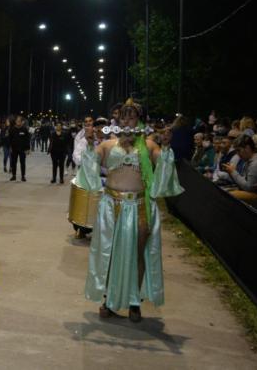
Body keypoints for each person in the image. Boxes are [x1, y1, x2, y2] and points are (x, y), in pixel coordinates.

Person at [76, 98, 183, 322]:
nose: (126, 120)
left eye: (131, 116)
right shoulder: (106, 145)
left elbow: (164, 169)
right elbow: (88, 166)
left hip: (140, 206)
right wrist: (87, 143)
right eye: (122, 116)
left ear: (139, 120)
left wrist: (165, 146)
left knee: (138, 253)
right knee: (111, 253)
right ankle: (109, 300)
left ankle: (135, 302)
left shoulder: (149, 146)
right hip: (111, 205)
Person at [222, 134, 257, 201]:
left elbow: (249, 188)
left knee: (229, 195)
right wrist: (231, 172)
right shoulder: (250, 161)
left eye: (239, 150)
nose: (238, 154)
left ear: (247, 148)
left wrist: (233, 172)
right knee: (224, 192)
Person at [8, 115, 30, 182]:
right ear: (15, 122)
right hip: (14, 149)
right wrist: (10, 147)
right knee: (14, 163)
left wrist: (28, 148)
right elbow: (10, 139)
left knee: (22, 163)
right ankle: (14, 176)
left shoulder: (24, 129)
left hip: (22, 149)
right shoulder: (12, 129)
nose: (18, 122)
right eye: (17, 121)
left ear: (21, 122)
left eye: (19, 121)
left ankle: (23, 176)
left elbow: (27, 139)